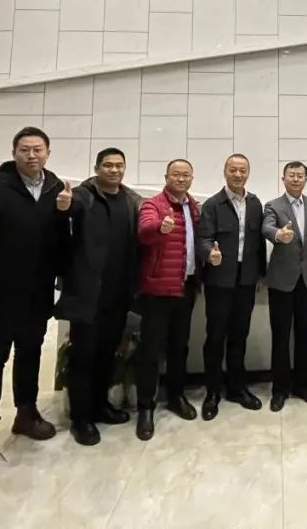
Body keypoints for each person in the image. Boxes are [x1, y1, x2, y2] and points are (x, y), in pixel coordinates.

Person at [0, 126, 72, 479]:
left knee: (31, 353)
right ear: (14, 152)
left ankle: (26, 414)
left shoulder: (56, 188)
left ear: (48, 152)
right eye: (24, 149)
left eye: (38, 149)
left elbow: (59, 239)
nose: (31, 155)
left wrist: (64, 212)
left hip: (37, 290)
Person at [55, 147, 142, 446]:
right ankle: (81, 419)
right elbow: (65, 220)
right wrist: (62, 208)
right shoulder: (82, 196)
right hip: (87, 293)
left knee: (107, 353)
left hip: (118, 293)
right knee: (83, 356)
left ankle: (100, 405)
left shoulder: (130, 200)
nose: (114, 170)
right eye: (108, 165)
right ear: (96, 168)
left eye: (119, 165)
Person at [195, 154, 267, 421]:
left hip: (246, 281)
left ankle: (237, 388)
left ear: (248, 173)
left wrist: (261, 274)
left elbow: (258, 243)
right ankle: (212, 392)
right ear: (225, 172)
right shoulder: (213, 204)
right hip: (219, 281)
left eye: (242, 170)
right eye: (233, 170)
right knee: (215, 337)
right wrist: (209, 254)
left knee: (239, 335)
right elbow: (203, 239)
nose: (238, 174)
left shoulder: (255, 203)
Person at [134, 159, 201, 441]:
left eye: (186, 175)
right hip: (158, 290)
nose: (181, 179)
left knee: (179, 347)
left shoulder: (193, 207)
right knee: (151, 351)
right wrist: (159, 228)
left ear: (192, 179)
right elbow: (144, 231)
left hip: (185, 287)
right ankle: (145, 406)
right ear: (166, 177)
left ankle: (176, 396)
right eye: (176, 174)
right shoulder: (153, 205)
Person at [263, 161, 307, 412]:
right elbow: (267, 227)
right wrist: (278, 235)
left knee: (304, 336)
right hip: (281, 281)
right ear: (284, 179)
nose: (296, 179)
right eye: (292, 175)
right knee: (280, 336)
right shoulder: (273, 206)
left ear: (306, 180)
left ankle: (303, 386)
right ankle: (280, 390)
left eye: (301, 176)